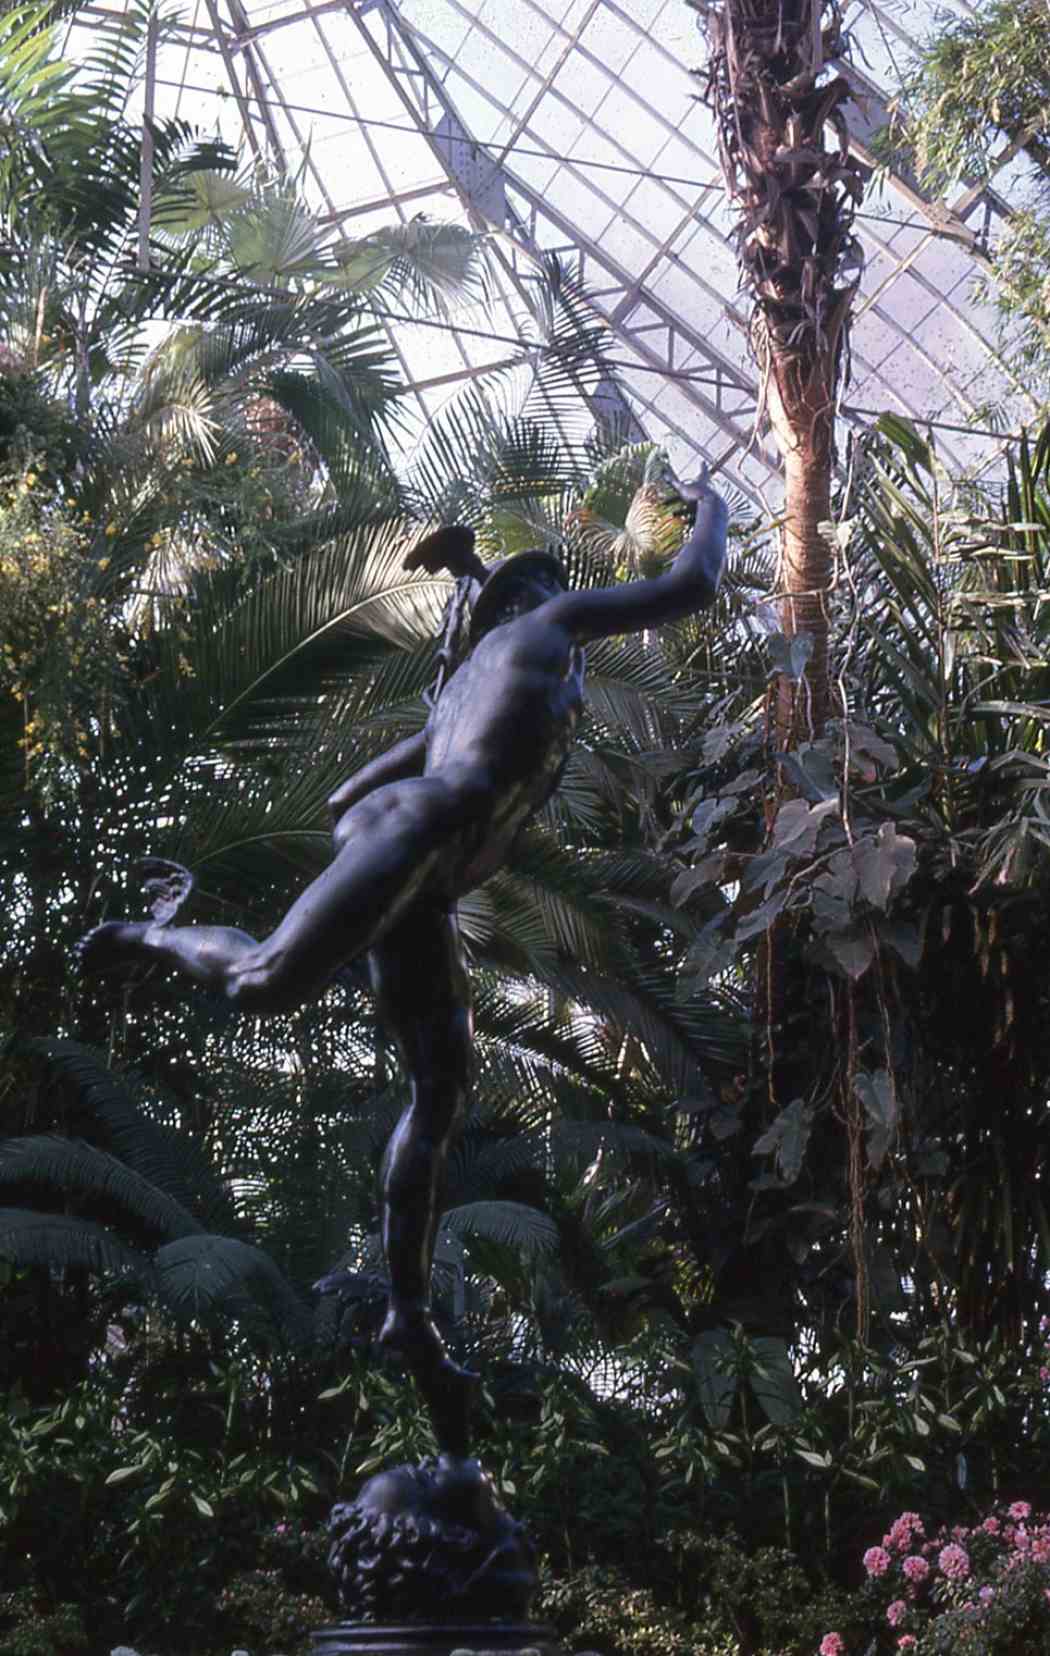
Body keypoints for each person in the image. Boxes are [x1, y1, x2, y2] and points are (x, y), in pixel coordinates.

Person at [76, 476, 728, 1454]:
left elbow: (347, 796)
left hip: (420, 859)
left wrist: (423, 767)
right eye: (548, 586)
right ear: (534, 602)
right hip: (424, 834)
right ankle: (155, 931)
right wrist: (712, 504)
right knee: (266, 982)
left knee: (441, 1090)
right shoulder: (549, 629)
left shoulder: (469, 686)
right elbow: (692, 587)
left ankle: (410, 1307)